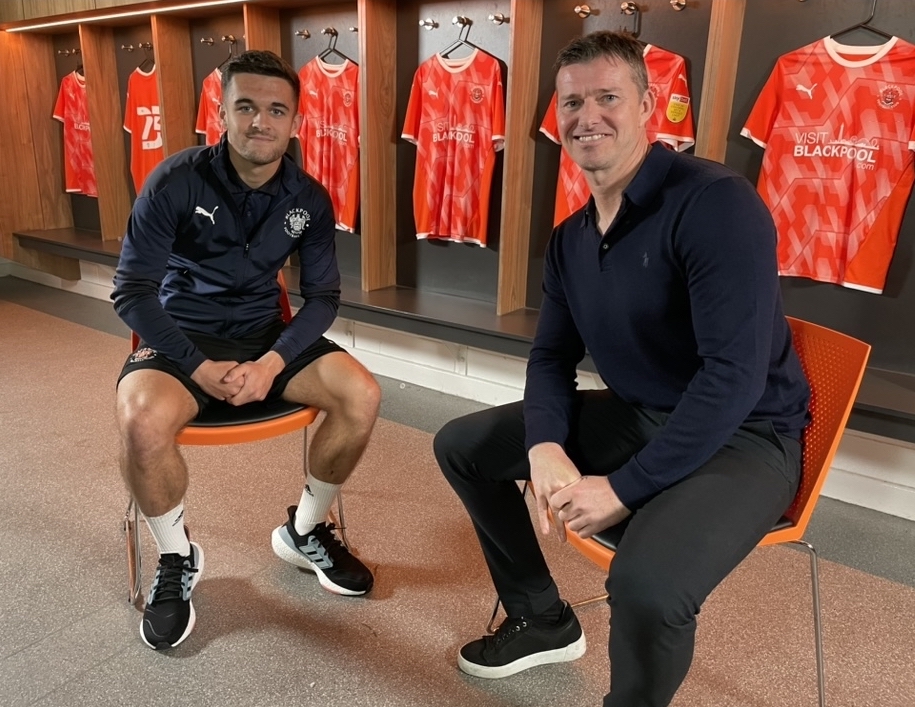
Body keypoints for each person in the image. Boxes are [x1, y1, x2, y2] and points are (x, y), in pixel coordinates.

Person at [433, 31, 810, 707]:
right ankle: (542, 617)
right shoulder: (570, 237)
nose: (587, 116)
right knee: (462, 445)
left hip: (746, 434)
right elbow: (550, 355)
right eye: (571, 101)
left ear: (648, 104)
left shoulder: (713, 202)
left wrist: (625, 487)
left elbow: (733, 377)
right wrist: (545, 446)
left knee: (646, 585)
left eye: (608, 96)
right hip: (642, 411)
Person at [113, 50, 381, 652]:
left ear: (294, 122)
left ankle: (304, 532)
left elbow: (323, 298)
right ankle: (178, 556)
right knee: (139, 419)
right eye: (246, 107)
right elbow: (130, 291)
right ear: (223, 112)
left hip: (265, 333)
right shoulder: (175, 180)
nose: (261, 121)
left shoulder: (307, 197)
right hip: (182, 333)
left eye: (276, 110)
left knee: (360, 394)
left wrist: (273, 362)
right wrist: (198, 367)